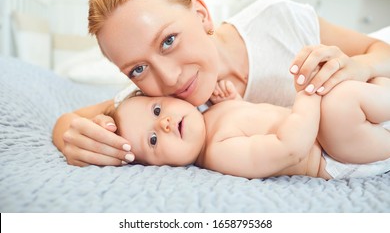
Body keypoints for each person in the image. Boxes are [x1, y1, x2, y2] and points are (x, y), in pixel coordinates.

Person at [52, 0, 390, 167]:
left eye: (168, 40)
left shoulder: (278, 21)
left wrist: (359, 66)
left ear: (201, 15)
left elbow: (380, 51)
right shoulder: (156, 107)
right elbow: (69, 122)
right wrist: (72, 140)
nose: (168, 78)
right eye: (137, 69)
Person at [112, 78, 390, 180]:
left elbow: (256, 121)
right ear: (159, 167)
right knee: (340, 102)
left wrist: (234, 102)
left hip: (339, 137)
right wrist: (308, 95)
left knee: (371, 81)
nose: (164, 124)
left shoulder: (210, 116)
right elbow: (290, 148)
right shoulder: (219, 152)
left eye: (157, 110)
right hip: (334, 155)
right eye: (152, 140)